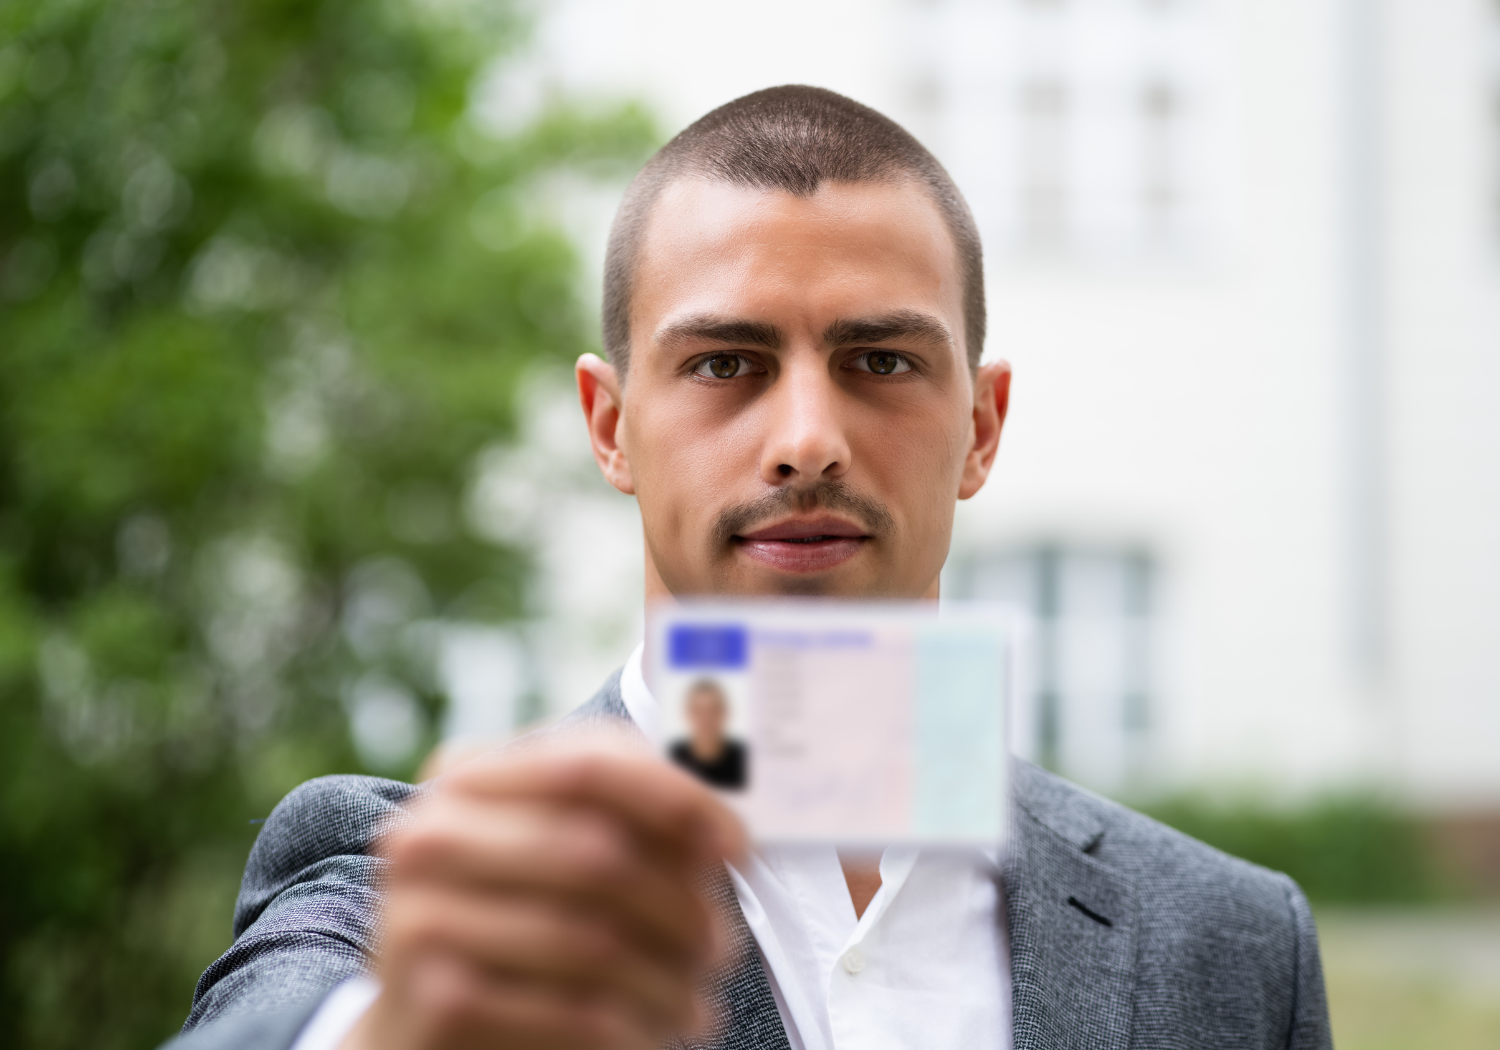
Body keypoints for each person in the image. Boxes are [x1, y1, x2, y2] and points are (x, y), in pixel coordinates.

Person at [169, 86, 1331, 1050]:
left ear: (981, 427)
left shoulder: (1232, 944)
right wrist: (393, 1029)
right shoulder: (415, 888)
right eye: (728, 363)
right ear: (610, 425)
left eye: (879, 359)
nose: (808, 438)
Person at [668, 679, 748, 790]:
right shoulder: (674, 757)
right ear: (687, 714)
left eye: (713, 710)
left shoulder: (743, 757)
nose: (706, 719)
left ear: (725, 713)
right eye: (699, 710)